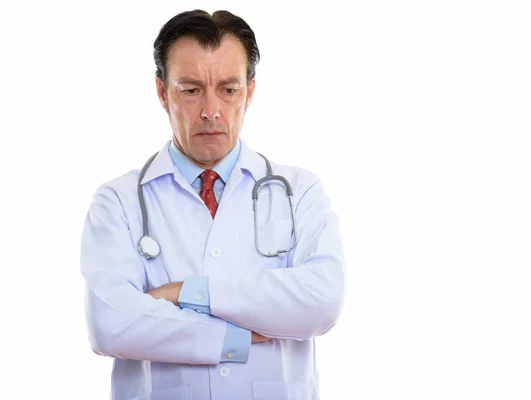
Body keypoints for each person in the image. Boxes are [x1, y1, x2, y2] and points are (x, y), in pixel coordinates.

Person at [80, 9, 345, 400]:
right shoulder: (118, 202)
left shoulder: (298, 192)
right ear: (161, 91)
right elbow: (111, 323)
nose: (211, 110)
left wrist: (185, 292)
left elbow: (322, 301)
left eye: (228, 89)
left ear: (250, 91)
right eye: (190, 89)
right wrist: (233, 337)